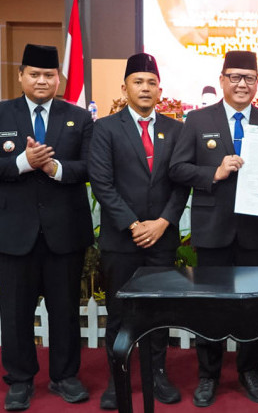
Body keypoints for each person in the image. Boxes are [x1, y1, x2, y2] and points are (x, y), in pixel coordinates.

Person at [169, 50, 258, 407]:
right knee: (211, 306)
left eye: (248, 78)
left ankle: (250, 371)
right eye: (234, 76)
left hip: (254, 231)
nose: (241, 84)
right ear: (221, 80)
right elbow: (177, 168)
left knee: (253, 306)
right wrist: (213, 173)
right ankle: (209, 375)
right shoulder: (198, 120)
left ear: (257, 83)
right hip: (213, 229)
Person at [88, 53, 190, 410]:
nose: (145, 88)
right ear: (125, 88)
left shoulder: (176, 130)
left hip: (161, 238)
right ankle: (119, 379)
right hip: (121, 239)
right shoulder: (104, 129)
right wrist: (133, 225)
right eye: (138, 82)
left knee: (157, 312)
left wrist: (161, 223)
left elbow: (181, 185)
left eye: (151, 82)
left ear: (160, 89)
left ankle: (157, 373)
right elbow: (101, 183)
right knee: (119, 311)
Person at [0, 44, 94, 410]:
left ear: (59, 78)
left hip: (64, 232)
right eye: (34, 74)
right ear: (21, 76)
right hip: (13, 233)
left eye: (49, 75)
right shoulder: (2, 113)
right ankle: (20, 380)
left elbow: (90, 167)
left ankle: (65, 376)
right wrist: (23, 162)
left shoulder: (80, 117)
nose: (42, 81)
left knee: (65, 309)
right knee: (17, 311)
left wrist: (56, 169)